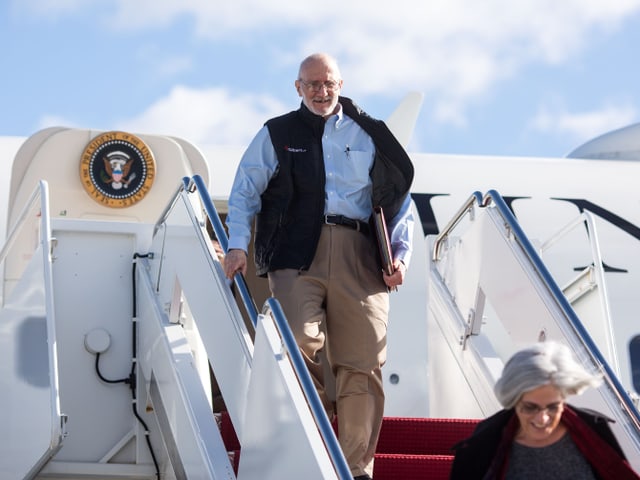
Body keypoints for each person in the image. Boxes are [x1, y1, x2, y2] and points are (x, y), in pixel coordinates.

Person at [223, 52, 414, 479]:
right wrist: (237, 245)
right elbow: (244, 193)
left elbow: (399, 204)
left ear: (340, 84)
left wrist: (399, 255)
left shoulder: (371, 134)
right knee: (296, 346)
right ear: (297, 88)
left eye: (327, 83)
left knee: (362, 362)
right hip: (295, 255)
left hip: (360, 255)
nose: (320, 91)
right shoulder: (277, 133)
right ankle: (304, 450)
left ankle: (353, 468)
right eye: (311, 84)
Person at [449, 341, 640, 480]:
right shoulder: (482, 445)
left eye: (553, 407)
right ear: (513, 400)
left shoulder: (597, 434)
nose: (542, 419)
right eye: (530, 407)